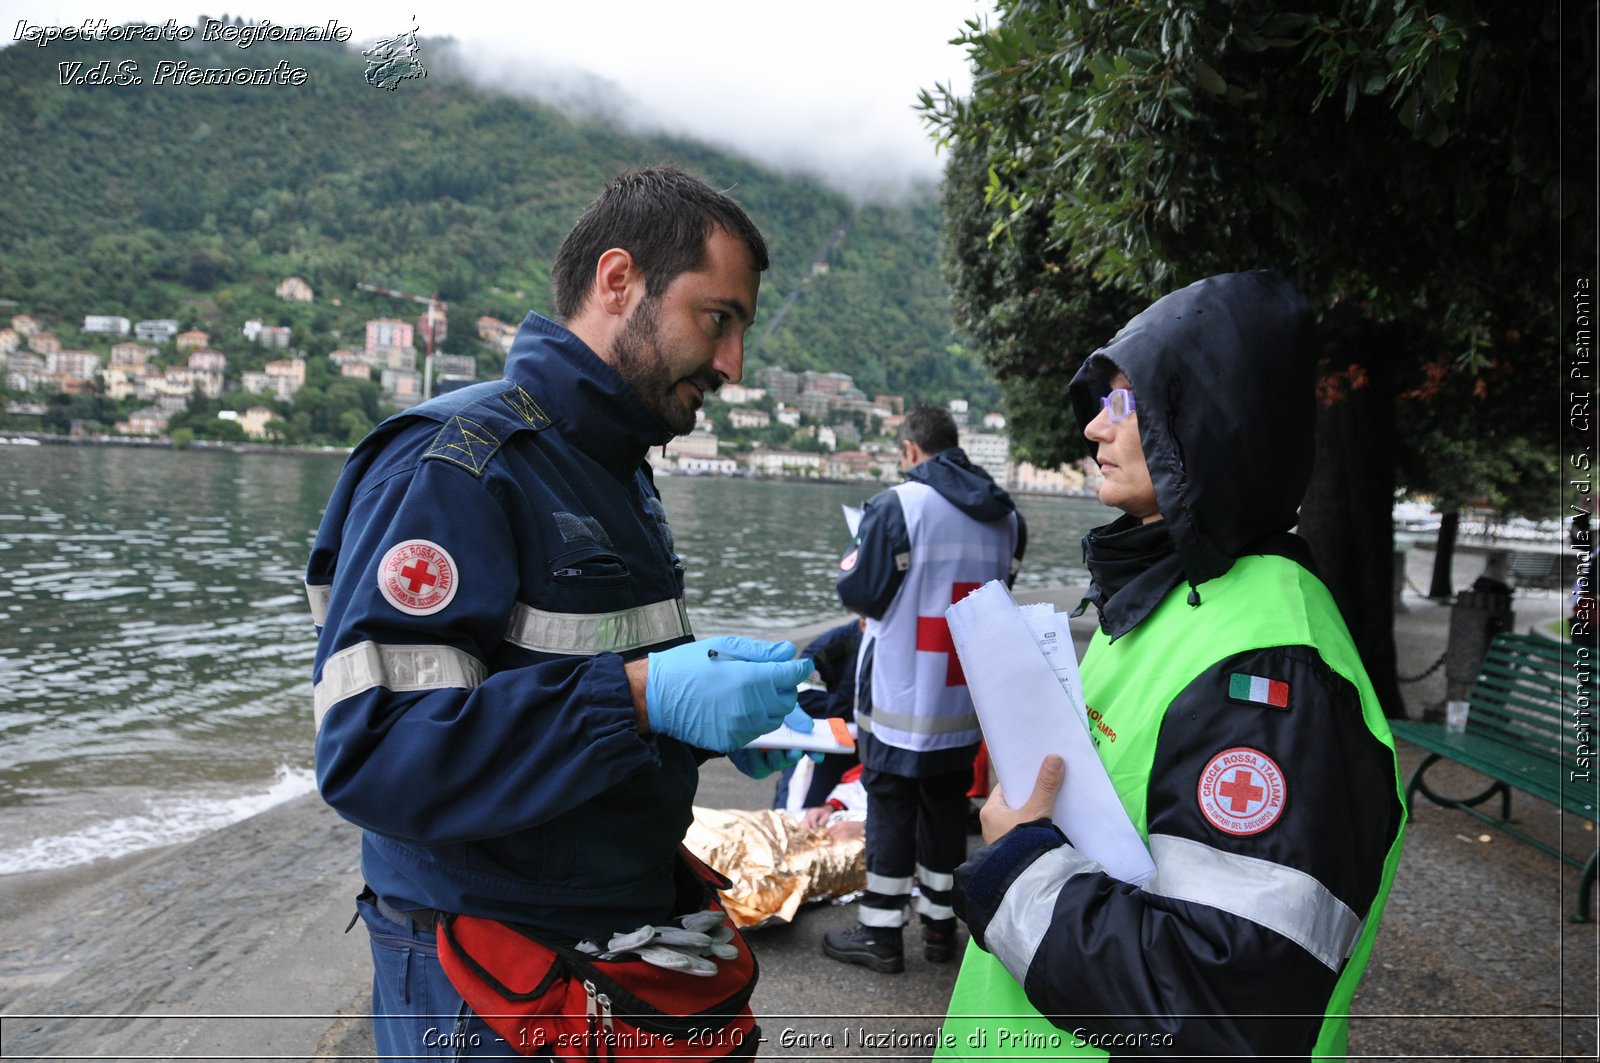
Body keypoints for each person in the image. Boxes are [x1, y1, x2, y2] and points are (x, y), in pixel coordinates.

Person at [305, 166, 815, 1060]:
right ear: (619, 282)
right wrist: (643, 698)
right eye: (718, 318)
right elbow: (373, 748)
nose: (734, 365)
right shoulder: (455, 464)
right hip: (489, 974)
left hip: (606, 943)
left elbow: (560, 674)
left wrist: (692, 725)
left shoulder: (617, 471)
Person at [937, 271, 1406, 1060]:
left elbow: (1221, 1004)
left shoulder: (1269, 663)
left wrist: (1018, 865)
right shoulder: (1174, 601)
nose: (1094, 427)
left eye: (1125, 402)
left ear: (1211, 423)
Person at [823, 405, 1026, 973]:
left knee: (889, 805)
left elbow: (861, 593)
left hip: (900, 693)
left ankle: (881, 933)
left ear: (911, 450)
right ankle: (941, 929)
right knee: (944, 806)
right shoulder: (1006, 514)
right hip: (963, 696)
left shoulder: (897, 506)